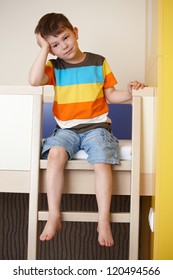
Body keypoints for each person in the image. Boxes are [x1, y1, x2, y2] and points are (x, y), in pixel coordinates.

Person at [29, 13, 145, 247]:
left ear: (76, 32)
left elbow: (111, 95)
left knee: (101, 160)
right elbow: (33, 80)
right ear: (50, 50)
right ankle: (54, 215)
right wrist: (43, 48)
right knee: (54, 155)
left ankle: (103, 219)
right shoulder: (54, 66)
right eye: (55, 44)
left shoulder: (98, 61)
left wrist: (131, 93)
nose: (63, 46)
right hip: (66, 130)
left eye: (65, 37)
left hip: (97, 127)